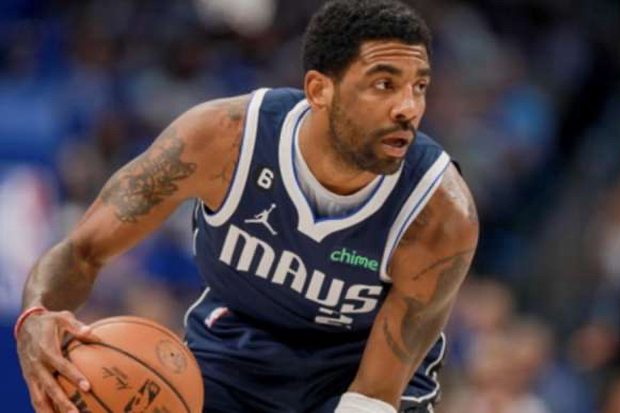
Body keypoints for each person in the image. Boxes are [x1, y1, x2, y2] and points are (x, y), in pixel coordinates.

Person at [15, 1, 479, 412]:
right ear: (319, 89)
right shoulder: (221, 140)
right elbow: (82, 251)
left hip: (356, 376)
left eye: (419, 86)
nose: (408, 108)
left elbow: (374, 393)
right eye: (384, 84)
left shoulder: (439, 214)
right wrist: (36, 317)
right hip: (235, 353)